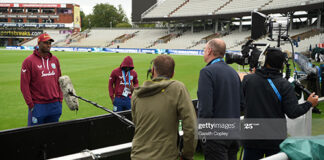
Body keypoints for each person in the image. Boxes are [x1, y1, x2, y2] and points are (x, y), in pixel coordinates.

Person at [242, 47, 319, 160]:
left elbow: (241, 103)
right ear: (282, 65)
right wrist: (309, 103)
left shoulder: (248, 80)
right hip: (274, 139)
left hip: (251, 137)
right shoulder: (284, 85)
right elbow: (293, 112)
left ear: (265, 61)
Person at [131, 55, 197, 160]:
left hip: (137, 155)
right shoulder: (178, 88)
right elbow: (191, 127)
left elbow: (136, 122)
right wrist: (187, 155)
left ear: (152, 70)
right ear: (173, 74)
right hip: (165, 156)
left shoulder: (136, 93)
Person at [197, 38, 242, 160]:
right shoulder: (233, 73)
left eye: (205, 49)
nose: (204, 52)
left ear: (210, 51)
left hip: (216, 138)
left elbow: (205, 109)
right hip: (234, 135)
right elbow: (241, 105)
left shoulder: (207, 72)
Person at [20, 33, 63, 126]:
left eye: (50, 43)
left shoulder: (55, 60)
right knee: (34, 136)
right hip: (38, 105)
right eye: (45, 43)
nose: (48, 45)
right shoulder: (29, 61)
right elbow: (24, 85)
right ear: (39, 44)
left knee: (53, 136)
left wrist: (60, 100)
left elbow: (59, 81)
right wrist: (30, 104)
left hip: (55, 105)